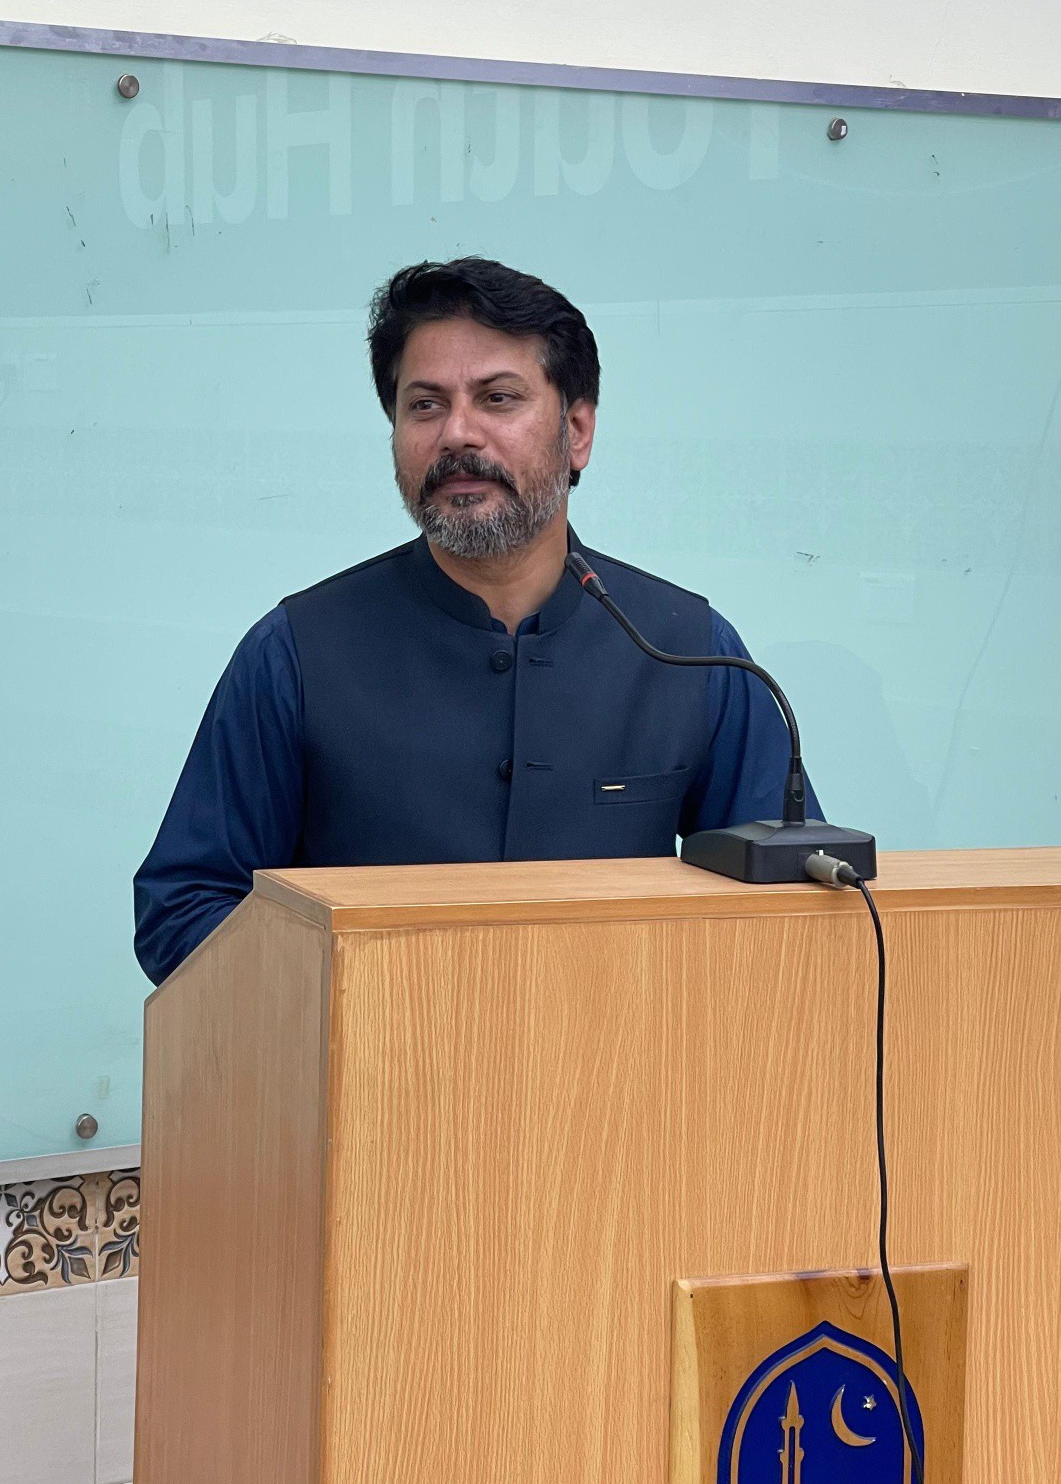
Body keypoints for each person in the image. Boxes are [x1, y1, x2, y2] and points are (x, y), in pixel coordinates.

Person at [134, 257, 821, 984]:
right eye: (425, 406)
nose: (458, 433)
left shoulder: (690, 650)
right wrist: (361, 999)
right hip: (369, 1051)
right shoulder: (296, 654)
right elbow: (186, 907)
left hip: (625, 1050)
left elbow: (787, 906)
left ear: (576, 430)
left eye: (497, 398)